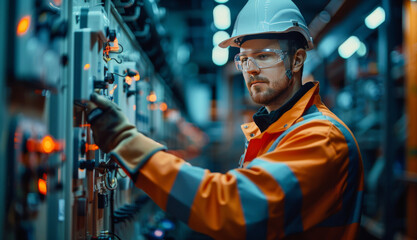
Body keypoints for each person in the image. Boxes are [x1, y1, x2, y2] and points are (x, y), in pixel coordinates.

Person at [86, 0, 364, 239]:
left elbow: (233, 207)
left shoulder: (322, 137)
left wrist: (126, 142)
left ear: (297, 60)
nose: (251, 69)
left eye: (264, 56)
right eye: (244, 59)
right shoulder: (273, 132)